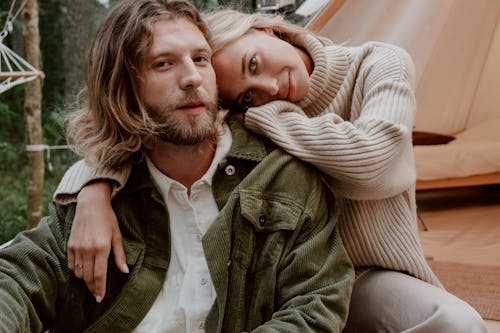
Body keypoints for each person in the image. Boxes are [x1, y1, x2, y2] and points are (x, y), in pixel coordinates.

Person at [56, 7, 487, 333]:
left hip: (363, 274)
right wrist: (92, 186)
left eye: (254, 65)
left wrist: (267, 116)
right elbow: (134, 126)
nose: (265, 89)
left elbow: (379, 166)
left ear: (264, 29)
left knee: (457, 323)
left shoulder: (378, 64)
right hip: (280, 277)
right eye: (245, 97)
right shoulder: (242, 113)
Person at [0, 1, 354, 332]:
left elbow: (315, 305)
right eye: (163, 64)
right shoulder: (101, 198)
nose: (192, 78)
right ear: (125, 90)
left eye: (201, 58)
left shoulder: (284, 178)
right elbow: (17, 275)